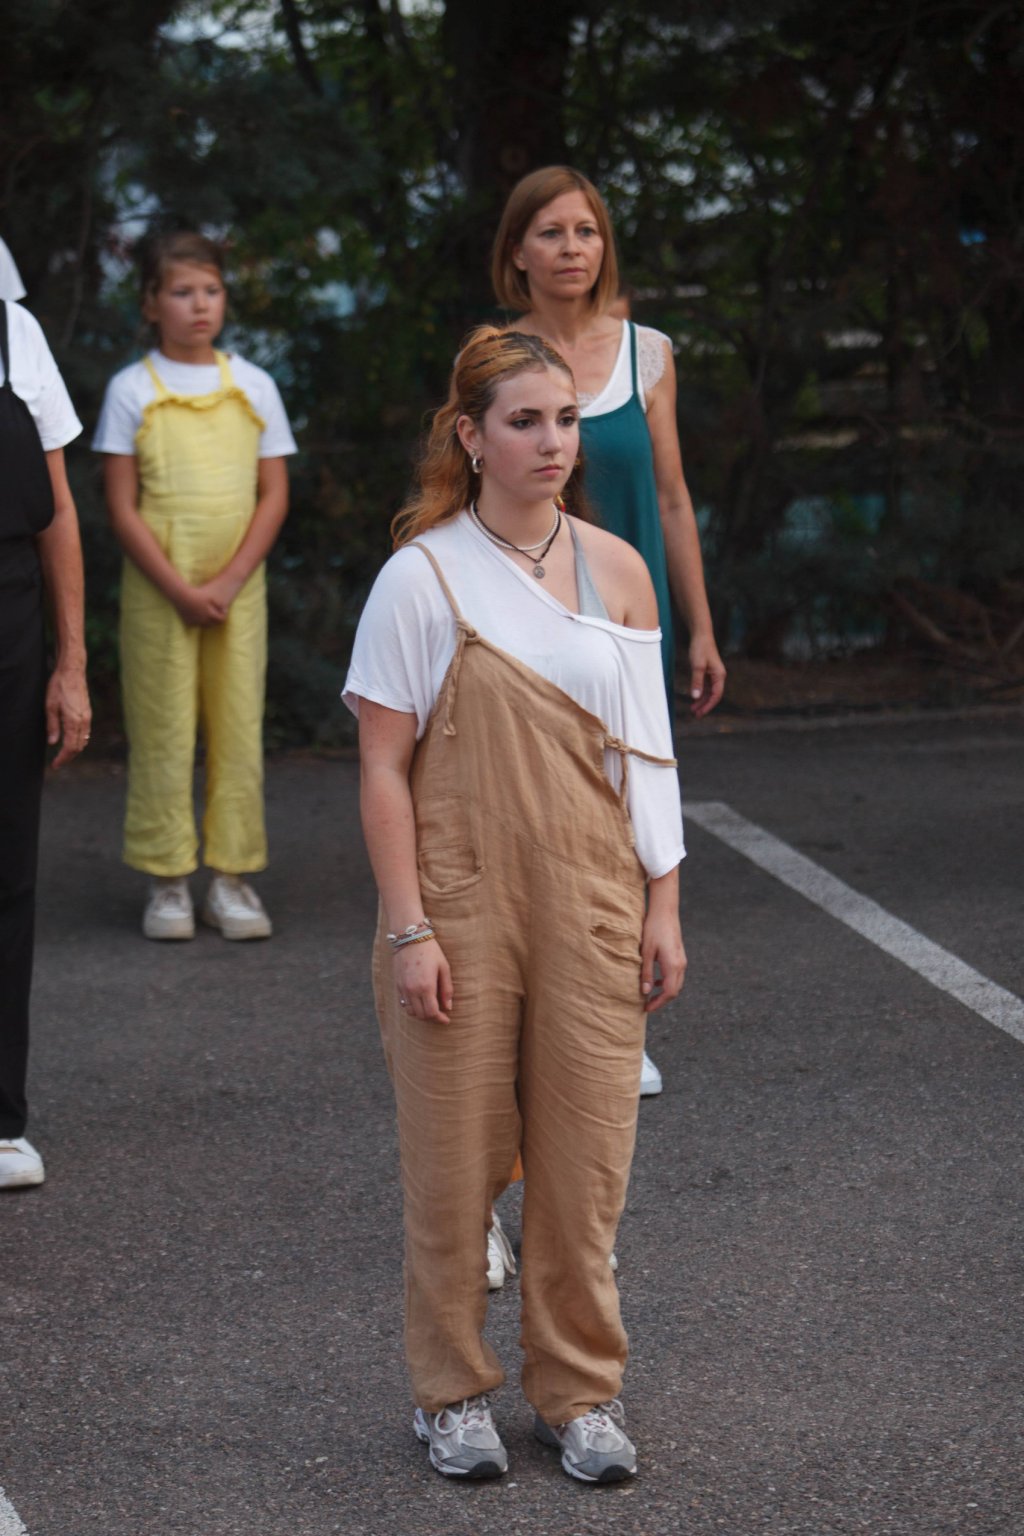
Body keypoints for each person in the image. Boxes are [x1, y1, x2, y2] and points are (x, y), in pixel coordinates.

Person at [344, 326, 686, 1483]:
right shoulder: (421, 575)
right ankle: (449, 1395)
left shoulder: (619, 569)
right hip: (457, 904)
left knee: (585, 1170)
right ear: (470, 436)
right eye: (524, 421)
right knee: (454, 1169)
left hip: (594, 900)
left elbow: (649, 754)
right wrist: (409, 928)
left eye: (565, 420)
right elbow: (382, 767)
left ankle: (580, 1394)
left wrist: (664, 902)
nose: (552, 442)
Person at [491, 164, 726, 1100]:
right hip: (529, 621)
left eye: (586, 231)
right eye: (550, 232)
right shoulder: (494, 357)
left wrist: (699, 627)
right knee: (541, 820)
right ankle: (536, 1021)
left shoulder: (647, 353)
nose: (571, 249)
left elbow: (670, 497)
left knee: (629, 820)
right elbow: (469, 490)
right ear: (517, 251)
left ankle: (616, 1027)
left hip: (628, 625)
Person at [93, 231, 296, 941]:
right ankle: (169, 880)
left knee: (238, 726)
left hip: (240, 588)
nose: (199, 304)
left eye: (211, 290)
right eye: (182, 292)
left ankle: (232, 881)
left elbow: (274, 494)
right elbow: (121, 506)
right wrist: (180, 591)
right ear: (151, 303)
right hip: (160, 590)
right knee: (163, 727)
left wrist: (233, 578)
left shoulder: (255, 386)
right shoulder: (131, 390)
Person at [0, 295, 91, 1190]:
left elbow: (57, 508)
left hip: (9, 619)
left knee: (7, 871)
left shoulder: (12, 332)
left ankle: (0, 1123)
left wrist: (72, 662)